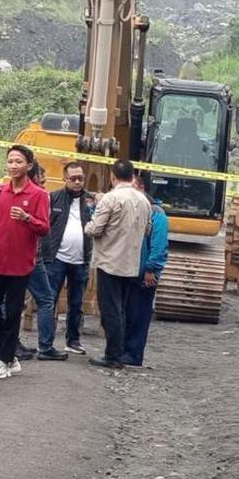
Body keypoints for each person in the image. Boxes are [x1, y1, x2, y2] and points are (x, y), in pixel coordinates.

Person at [0, 145, 50, 380]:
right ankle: (8, 357)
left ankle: (3, 360)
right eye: (10, 161)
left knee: (12, 312)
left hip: (21, 264)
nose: (13, 166)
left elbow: (44, 228)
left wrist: (28, 218)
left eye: (18, 161)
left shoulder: (38, 195)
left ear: (29, 165)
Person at [84, 159, 151, 371]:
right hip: (131, 263)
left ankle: (113, 355)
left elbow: (94, 229)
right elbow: (147, 230)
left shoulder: (110, 199)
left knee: (110, 309)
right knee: (121, 308)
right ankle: (119, 352)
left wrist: (88, 221)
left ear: (113, 176)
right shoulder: (144, 201)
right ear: (132, 176)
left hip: (109, 262)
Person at [40, 160, 96, 358]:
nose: (77, 182)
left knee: (77, 303)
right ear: (65, 179)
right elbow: (44, 225)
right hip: (57, 258)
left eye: (80, 178)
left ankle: (73, 341)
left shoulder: (91, 200)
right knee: (49, 301)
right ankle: (46, 344)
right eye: (73, 179)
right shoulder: (53, 198)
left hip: (81, 260)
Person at [122, 174, 168, 367]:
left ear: (141, 187)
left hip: (142, 274)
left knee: (138, 316)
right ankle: (122, 350)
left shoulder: (156, 213)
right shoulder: (129, 208)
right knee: (125, 313)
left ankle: (133, 354)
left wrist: (151, 269)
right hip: (126, 271)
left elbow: (159, 245)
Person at [15, 162, 50, 362]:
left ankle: (11, 343)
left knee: (14, 301)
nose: (44, 185)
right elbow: (43, 227)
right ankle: (45, 347)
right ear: (34, 178)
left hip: (28, 256)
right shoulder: (37, 196)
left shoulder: (32, 195)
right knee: (44, 299)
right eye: (42, 180)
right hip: (29, 257)